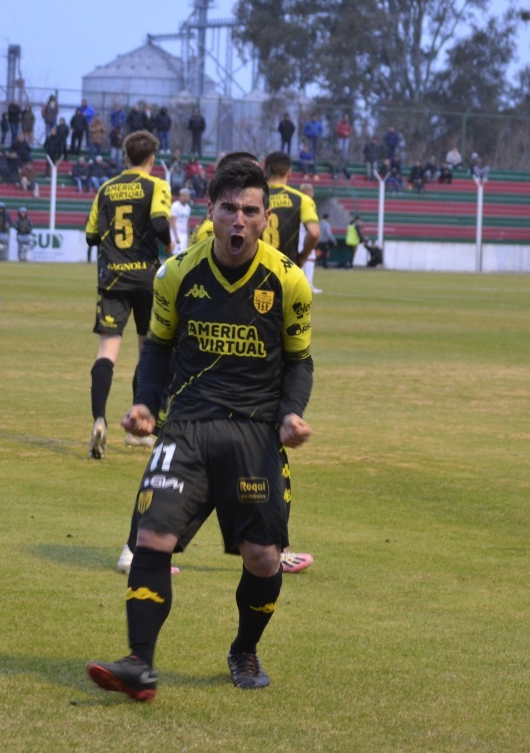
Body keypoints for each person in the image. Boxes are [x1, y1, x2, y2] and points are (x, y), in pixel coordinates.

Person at [85, 155, 314, 701]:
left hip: (254, 434)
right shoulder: (177, 273)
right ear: (210, 211)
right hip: (186, 428)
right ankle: (139, 663)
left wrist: (290, 413)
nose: (240, 220)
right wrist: (145, 404)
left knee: (262, 557)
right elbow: (159, 348)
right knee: (152, 538)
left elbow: (299, 360)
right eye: (229, 209)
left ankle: (243, 649)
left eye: (250, 211)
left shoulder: (288, 282)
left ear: (265, 219)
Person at [83, 130, 172, 461]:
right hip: (148, 279)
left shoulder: (106, 188)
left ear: (125, 158)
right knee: (149, 352)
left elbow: (92, 236)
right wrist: (170, 244)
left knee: (107, 350)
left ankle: (99, 421)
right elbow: (160, 223)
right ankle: (138, 430)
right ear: (151, 159)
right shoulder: (156, 185)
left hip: (112, 279)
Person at [262, 152, 320, 270]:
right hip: (287, 269)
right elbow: (314, 233)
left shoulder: (253, 197)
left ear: (265, 170)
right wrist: (303, 257)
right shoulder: (302, 199)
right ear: (289, 173)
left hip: (257, 268)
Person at [169, 188, 192, 254]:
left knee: (183, 254)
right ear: (180, 196)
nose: (186, 198)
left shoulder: (188, 208)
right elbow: (172, 222)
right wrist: (176, 237)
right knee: (176, 254)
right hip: (176, 233)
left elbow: (187, 223)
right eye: (184, 196)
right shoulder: (175, 206)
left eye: (187, 196)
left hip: (184, 234)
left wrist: (188, 237)